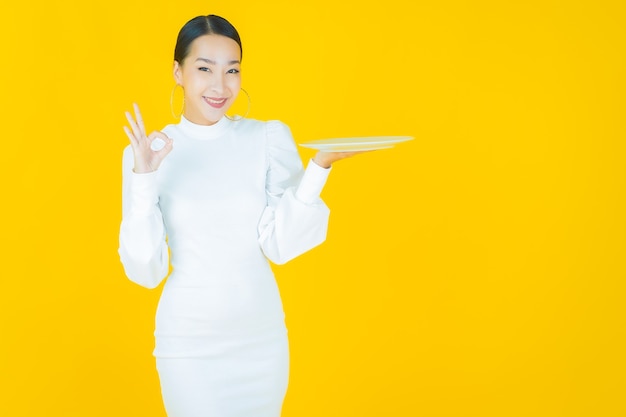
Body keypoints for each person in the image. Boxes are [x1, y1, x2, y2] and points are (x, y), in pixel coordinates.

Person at [119, 14, 360, 417]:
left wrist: (319, 167)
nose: (220, 85)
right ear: (177, 72)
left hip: (261, 341)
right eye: (204, 69)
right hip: (189, 345)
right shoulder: (148, 152)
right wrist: (144, 177)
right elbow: (144, 270)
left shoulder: (266, 138)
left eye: (232, 70)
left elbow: (280, 245)